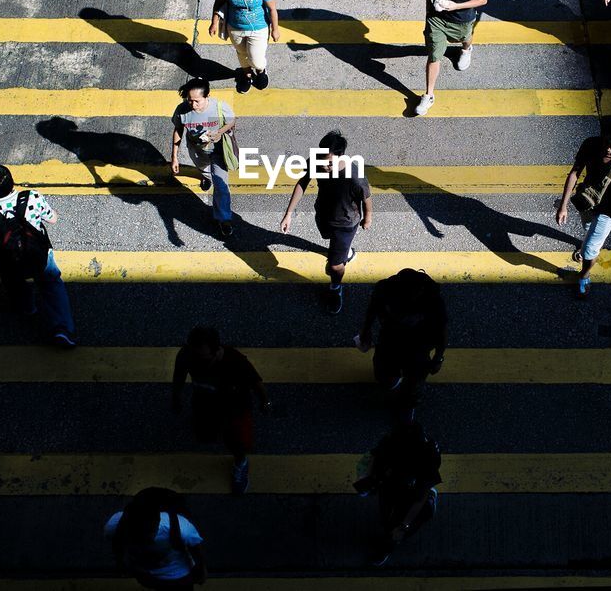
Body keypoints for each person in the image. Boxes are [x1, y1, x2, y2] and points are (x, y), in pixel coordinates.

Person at [0, 164, 77, 347]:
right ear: (12, 183)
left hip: (9, 262)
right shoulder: (32, 197)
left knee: (15, 286)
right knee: (51, 285)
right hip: (39, 255)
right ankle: (62, 330)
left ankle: (28, 308)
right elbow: (53, 219)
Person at [279, 130, 373, 314]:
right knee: (332, 243)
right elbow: (303, 182)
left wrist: (368, 217)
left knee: (334, 266)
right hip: (324, 215)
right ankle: (345, 252)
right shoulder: (317, 161)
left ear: (341, 156)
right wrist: (288, 214)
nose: (324, 166)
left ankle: (336, 288)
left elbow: (367, 198)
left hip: (346, 223)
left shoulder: (354, 175)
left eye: (329, 162)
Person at [172, 326, 272, 495]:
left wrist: (265, 402)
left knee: (237, 442)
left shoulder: (236, 362)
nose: (197, 362)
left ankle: (241, 463)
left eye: (202, 358)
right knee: (205, 434)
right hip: (204, 404)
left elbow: (256, 383)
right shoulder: (187, 356)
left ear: (217, 351)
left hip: (235, 409)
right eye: (193, 354)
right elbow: (179, 375)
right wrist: (176, 396)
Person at [556, 130, 611, 296]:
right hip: (587, 199)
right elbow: (575, 172)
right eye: (606, 144)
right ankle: (587, 246)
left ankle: (584, 275)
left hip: (610, 209)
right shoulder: (590, 144)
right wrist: (563, 205)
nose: (608, 149)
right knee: (587, 226)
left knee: (589, 250)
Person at [354, 419, 442, 566]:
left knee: (407, 521)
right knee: (387, 515)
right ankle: (390, 535)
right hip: (393, 479)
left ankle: (390, 543)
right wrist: (368, 479)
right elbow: (375, 456)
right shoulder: (391, 442)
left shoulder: (429, 456)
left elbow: (420, 498)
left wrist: (403, 526)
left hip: (412, 483)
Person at [415, 0, 488, 116]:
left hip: (462, 18)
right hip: (438, 17)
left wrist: (455, 6)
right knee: (434, 54)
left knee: (464, 37)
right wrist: (428, 4)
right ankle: (429, 95)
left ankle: (466, 49)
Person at [357, 269, 448, 409]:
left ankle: (407, 404)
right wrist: (366, 329)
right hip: (390, 341)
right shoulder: (385, 291)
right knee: (384, 376)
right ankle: (403, 399)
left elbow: (441, 333)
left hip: (418, 347)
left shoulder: (433, 302)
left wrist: (438, 358)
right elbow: (373, 308)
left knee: (412, 384)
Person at [170, 78, 237, 238]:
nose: (193, 105)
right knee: (206, 172)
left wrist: (220, 132)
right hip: (198, 152)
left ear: (207, 96)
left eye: (197, 101)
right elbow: (178, 130)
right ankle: (206, 177)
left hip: (218, 151)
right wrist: (174, 157)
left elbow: (231, 121)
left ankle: (224, 218)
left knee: (221, 185)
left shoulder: (219, 107)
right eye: (190, 100)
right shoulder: (182, 110)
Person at [105, 487, 207, 588]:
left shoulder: (182, 529)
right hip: (145, 574)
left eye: (148, 533)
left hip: (176, 576)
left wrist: (201, 571)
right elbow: (117, 544)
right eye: (138, 534)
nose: (146, 539)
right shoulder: (114, 526)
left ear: (157, 522)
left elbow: (196, 549)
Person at [209, 0, 280, 93]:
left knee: (256, 59)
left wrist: (275, 29)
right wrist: (214, 22)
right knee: (241, 53)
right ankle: (247, 75)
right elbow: (219, 2)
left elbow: (272, 8)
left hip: (258, 27)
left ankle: (260, 71)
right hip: (235, 26)